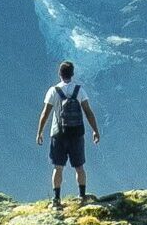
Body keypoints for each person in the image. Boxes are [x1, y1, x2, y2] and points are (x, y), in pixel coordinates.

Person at [35, 60, 100, 207]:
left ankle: (56, 199)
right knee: (79, 167)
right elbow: (88, 112)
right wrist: (95, 130)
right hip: (76, 134)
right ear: (72, 74)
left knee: (58, 167)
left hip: (58, 135)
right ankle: (82, 196)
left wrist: (40, 132)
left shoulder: (53, 91)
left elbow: (45, 113)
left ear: (59, 73)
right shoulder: (80, 90)